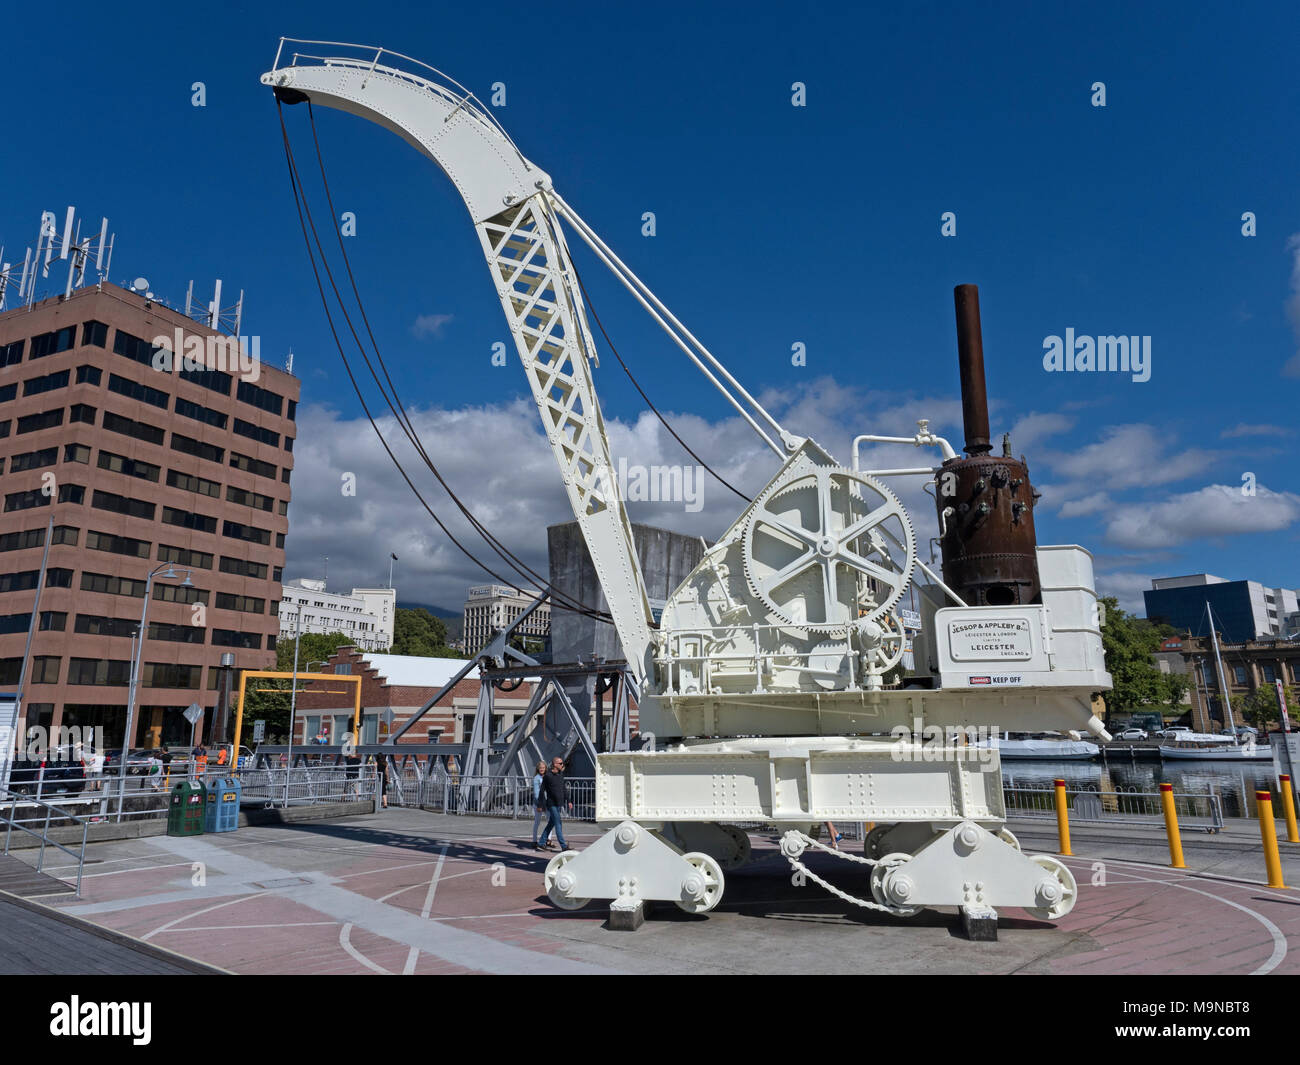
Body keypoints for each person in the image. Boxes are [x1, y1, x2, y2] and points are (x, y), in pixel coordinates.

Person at [537, 756, 572, 852]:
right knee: (558, 823)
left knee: (551, 824)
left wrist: (568, 800)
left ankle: (541, 843)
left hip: (559, 804)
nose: (562, 765)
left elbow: (564, 789)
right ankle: (563, 846)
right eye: (560, 763)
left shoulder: (561, 774)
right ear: (555, 764)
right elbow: (541, 791)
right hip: (551, 804)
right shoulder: (548, 776)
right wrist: (540, 805)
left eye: (562, 763)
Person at [530, 760, 547, 850]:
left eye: (543, 768)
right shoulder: (536, 778)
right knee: (537, 822)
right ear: (538, 768)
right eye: (540, 768)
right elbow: (536, 794)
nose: (542, 769)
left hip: (547, 802)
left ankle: (548, 840)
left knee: (550, 822)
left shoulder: (547, 777)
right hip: (539, 804)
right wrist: (541, 805)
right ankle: (534, 841)